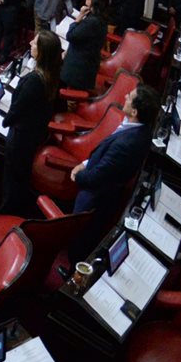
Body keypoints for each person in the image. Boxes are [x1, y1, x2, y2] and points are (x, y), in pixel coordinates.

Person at [70, 84, 160, 260]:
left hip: (95, 199)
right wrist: (85, 163)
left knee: (80, 239)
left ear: (134, 112)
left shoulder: (127, 144)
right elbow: (107, 157)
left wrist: (77, 175)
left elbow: (96, 178)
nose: (125, 95)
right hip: (100, 180)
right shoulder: (138, 128)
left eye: (130, 97)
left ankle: (73, 266)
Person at [0, 29, 61, 215]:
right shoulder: (52, 73)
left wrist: (6, 121)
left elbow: (18, 109)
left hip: (21, 136)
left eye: (34, 43)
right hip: (34, 132)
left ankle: (6, 212)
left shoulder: (34, 81)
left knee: (13, 177)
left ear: (41, 52)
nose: (30, 44)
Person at [61, 0, 109, 92]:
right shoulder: (99, 18)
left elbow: (71, 35)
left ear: (94, 1)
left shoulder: (92, 22)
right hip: (86, 63)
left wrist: (80, 16)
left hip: (78, 70)